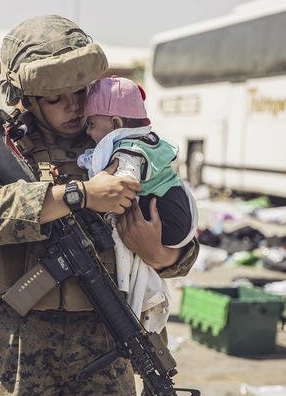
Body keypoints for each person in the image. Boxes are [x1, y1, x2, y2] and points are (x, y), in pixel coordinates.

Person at [0, 15, 200, 396]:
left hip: (106, 334)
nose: (73, 106)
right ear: (29, 99)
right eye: (56, 98)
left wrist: (159, 253)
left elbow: (179, 233)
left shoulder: (122, 147)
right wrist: (80, 194)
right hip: (21, 345)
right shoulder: (2, 148)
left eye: (79, 92)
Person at [78, 76, 198, 333]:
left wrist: (91, 193)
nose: (87, 132)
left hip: (167, 221)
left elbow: (124, 181)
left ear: (116, 123)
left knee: (138, 282)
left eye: (91, 124)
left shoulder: (129, 148)